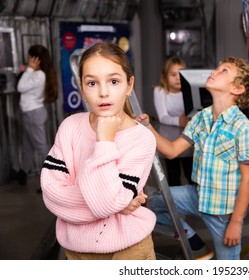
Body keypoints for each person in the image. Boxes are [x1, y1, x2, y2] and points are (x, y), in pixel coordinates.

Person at [40, 42, 157, 260]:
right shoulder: (70, 126)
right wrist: (114, 204)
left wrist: (105, 141)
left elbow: (107, 203)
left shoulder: (141, 139)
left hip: (128, 250)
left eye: (114, 81)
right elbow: (51, 193)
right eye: (92, 83)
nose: (103, 92)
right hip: (75, 252)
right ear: (82, 89)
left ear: (129, 86)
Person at [138, 57, 249, 260]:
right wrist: (148, 127)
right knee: (151, 204)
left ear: (237, 89)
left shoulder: (243, 129)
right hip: (197, 195)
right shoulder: (201, 118)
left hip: (223, 212)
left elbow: (248, 180)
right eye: (217, 67)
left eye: (224, 71)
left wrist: (236, 222)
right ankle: (194, 242)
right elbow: (171, 151)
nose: (214, 71)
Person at [11, 45, 58, 186]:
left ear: (35, 59)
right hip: (32, 113)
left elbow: (20, 87)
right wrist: (29, 70)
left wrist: (29, 69)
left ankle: (53, 180)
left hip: (33, 114)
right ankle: (23, 173)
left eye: (29, 56)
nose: (27, 59)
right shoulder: (37, 74)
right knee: (28, 146)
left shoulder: (39, 75)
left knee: (41, 146)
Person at [153, 56, 193, 186]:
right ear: (165, 76)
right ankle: (174, 204)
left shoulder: (190, 90)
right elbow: (163, 117)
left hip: (188, 136)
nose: (178, 78)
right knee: (173, 173)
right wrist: (179, 121)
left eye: (181, 74)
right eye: (173, 74)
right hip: (169, 138)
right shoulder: (159, 91)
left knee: (190, 172)